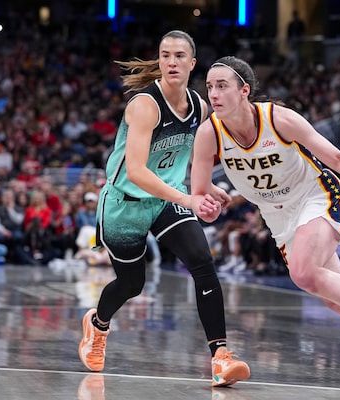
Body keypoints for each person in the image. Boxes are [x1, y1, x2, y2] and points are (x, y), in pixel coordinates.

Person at [190, 56, 340, 389]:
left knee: (303, 272)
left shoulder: (279, 119)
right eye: (210, 86)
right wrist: (207, 205)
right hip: (276, 214)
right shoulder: (208, 133)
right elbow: (199, 192)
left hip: (315, 195)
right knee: (332, 296)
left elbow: (337, 158)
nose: (213, 93)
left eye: (222, 86)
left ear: (244, 90)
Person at [77, 31, 250, 388]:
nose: (171, 62)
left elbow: (192, 155)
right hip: (125, 204)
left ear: (192, 63)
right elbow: (137, 171)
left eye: (179, 56)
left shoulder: (199, 107)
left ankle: (220, 356)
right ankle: (97, 324)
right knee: (132, 284)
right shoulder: (145, 105)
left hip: (167, 200)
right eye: (165, 55)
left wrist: (206, 187)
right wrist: (189, 199)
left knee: (202, 263)